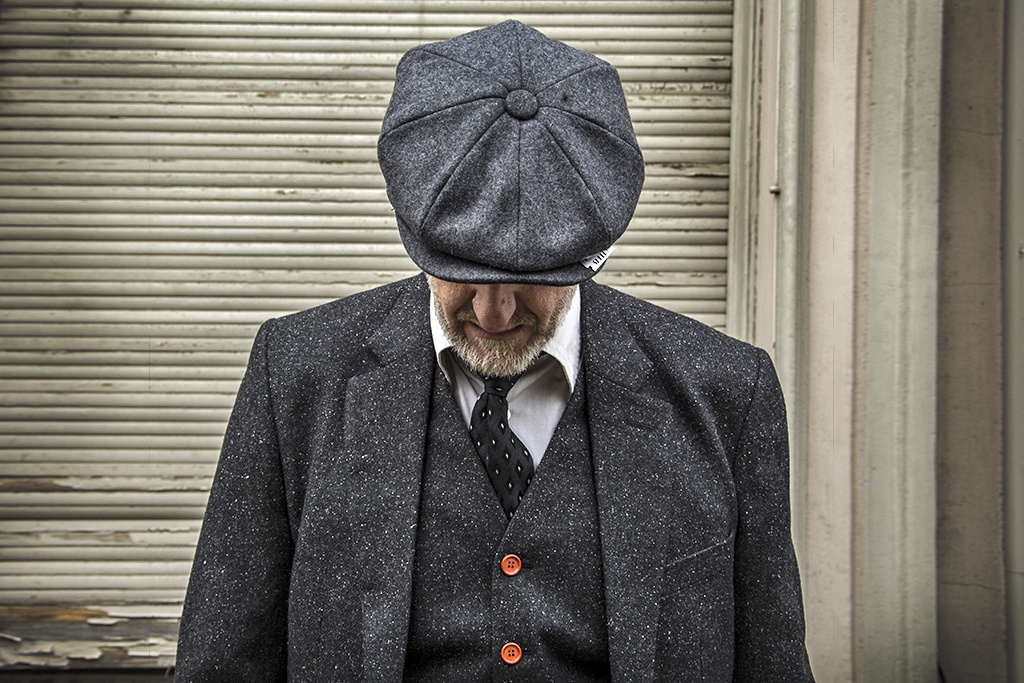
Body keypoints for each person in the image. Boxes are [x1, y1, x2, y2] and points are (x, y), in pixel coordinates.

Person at [175, 20, 815, 682]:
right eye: (462, 273)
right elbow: (222, 661)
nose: (491, 312)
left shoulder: (729, 391)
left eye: (529, 282)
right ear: (413, 230)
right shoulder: (298, 372)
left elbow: (773, 662)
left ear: (588, 253)